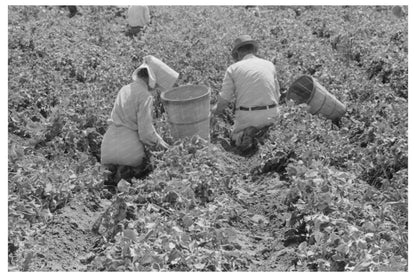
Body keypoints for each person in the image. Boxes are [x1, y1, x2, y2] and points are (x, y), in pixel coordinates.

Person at [101, 55, 179, 187]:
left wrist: (159, 139)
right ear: (153, 80)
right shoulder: (145, 95)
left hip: (107, 147)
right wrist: (165, 147)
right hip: (129, 151)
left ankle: (115, 174)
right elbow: (145, 133)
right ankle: (124, 174)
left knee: (109, 185)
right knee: (148, 172)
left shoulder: (124, 89)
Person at [212, 35, 280, 155]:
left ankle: (243, 135)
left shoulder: (233, 69)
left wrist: (211, 113)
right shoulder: (269, 65)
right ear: (254, 50)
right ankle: (263, 134)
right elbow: (277, 95)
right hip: (271, 114)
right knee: (270, 134)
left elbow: (223, 102)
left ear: (237, 53)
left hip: (248, 116)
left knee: (235, 138)